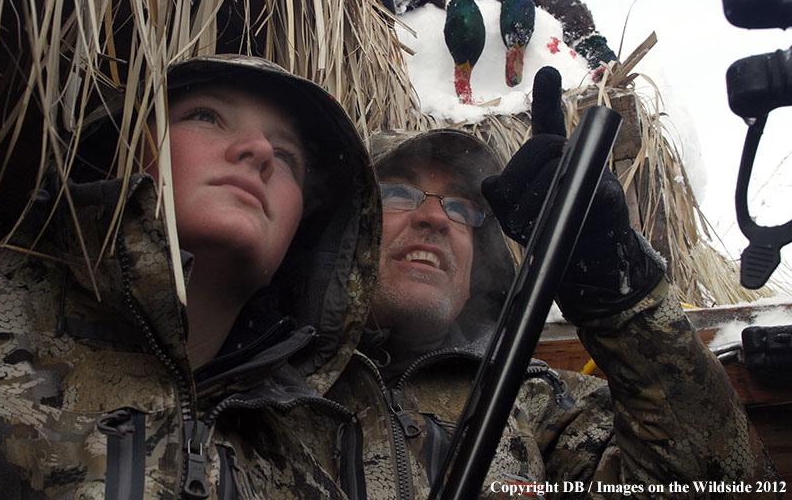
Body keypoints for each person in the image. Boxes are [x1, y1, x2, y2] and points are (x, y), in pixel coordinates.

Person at [0, 54, 381, 499]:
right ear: (117, 152)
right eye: (206, 116)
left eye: (287, 156)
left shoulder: (315, 466)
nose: (259, 151)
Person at [324, 69, 780, 498]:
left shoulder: (544, 407)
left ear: (474, 274)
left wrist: (616, 292)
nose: (436, 218)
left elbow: (721, 484)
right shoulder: (285, 388)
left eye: (462, 208)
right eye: (397, 193)